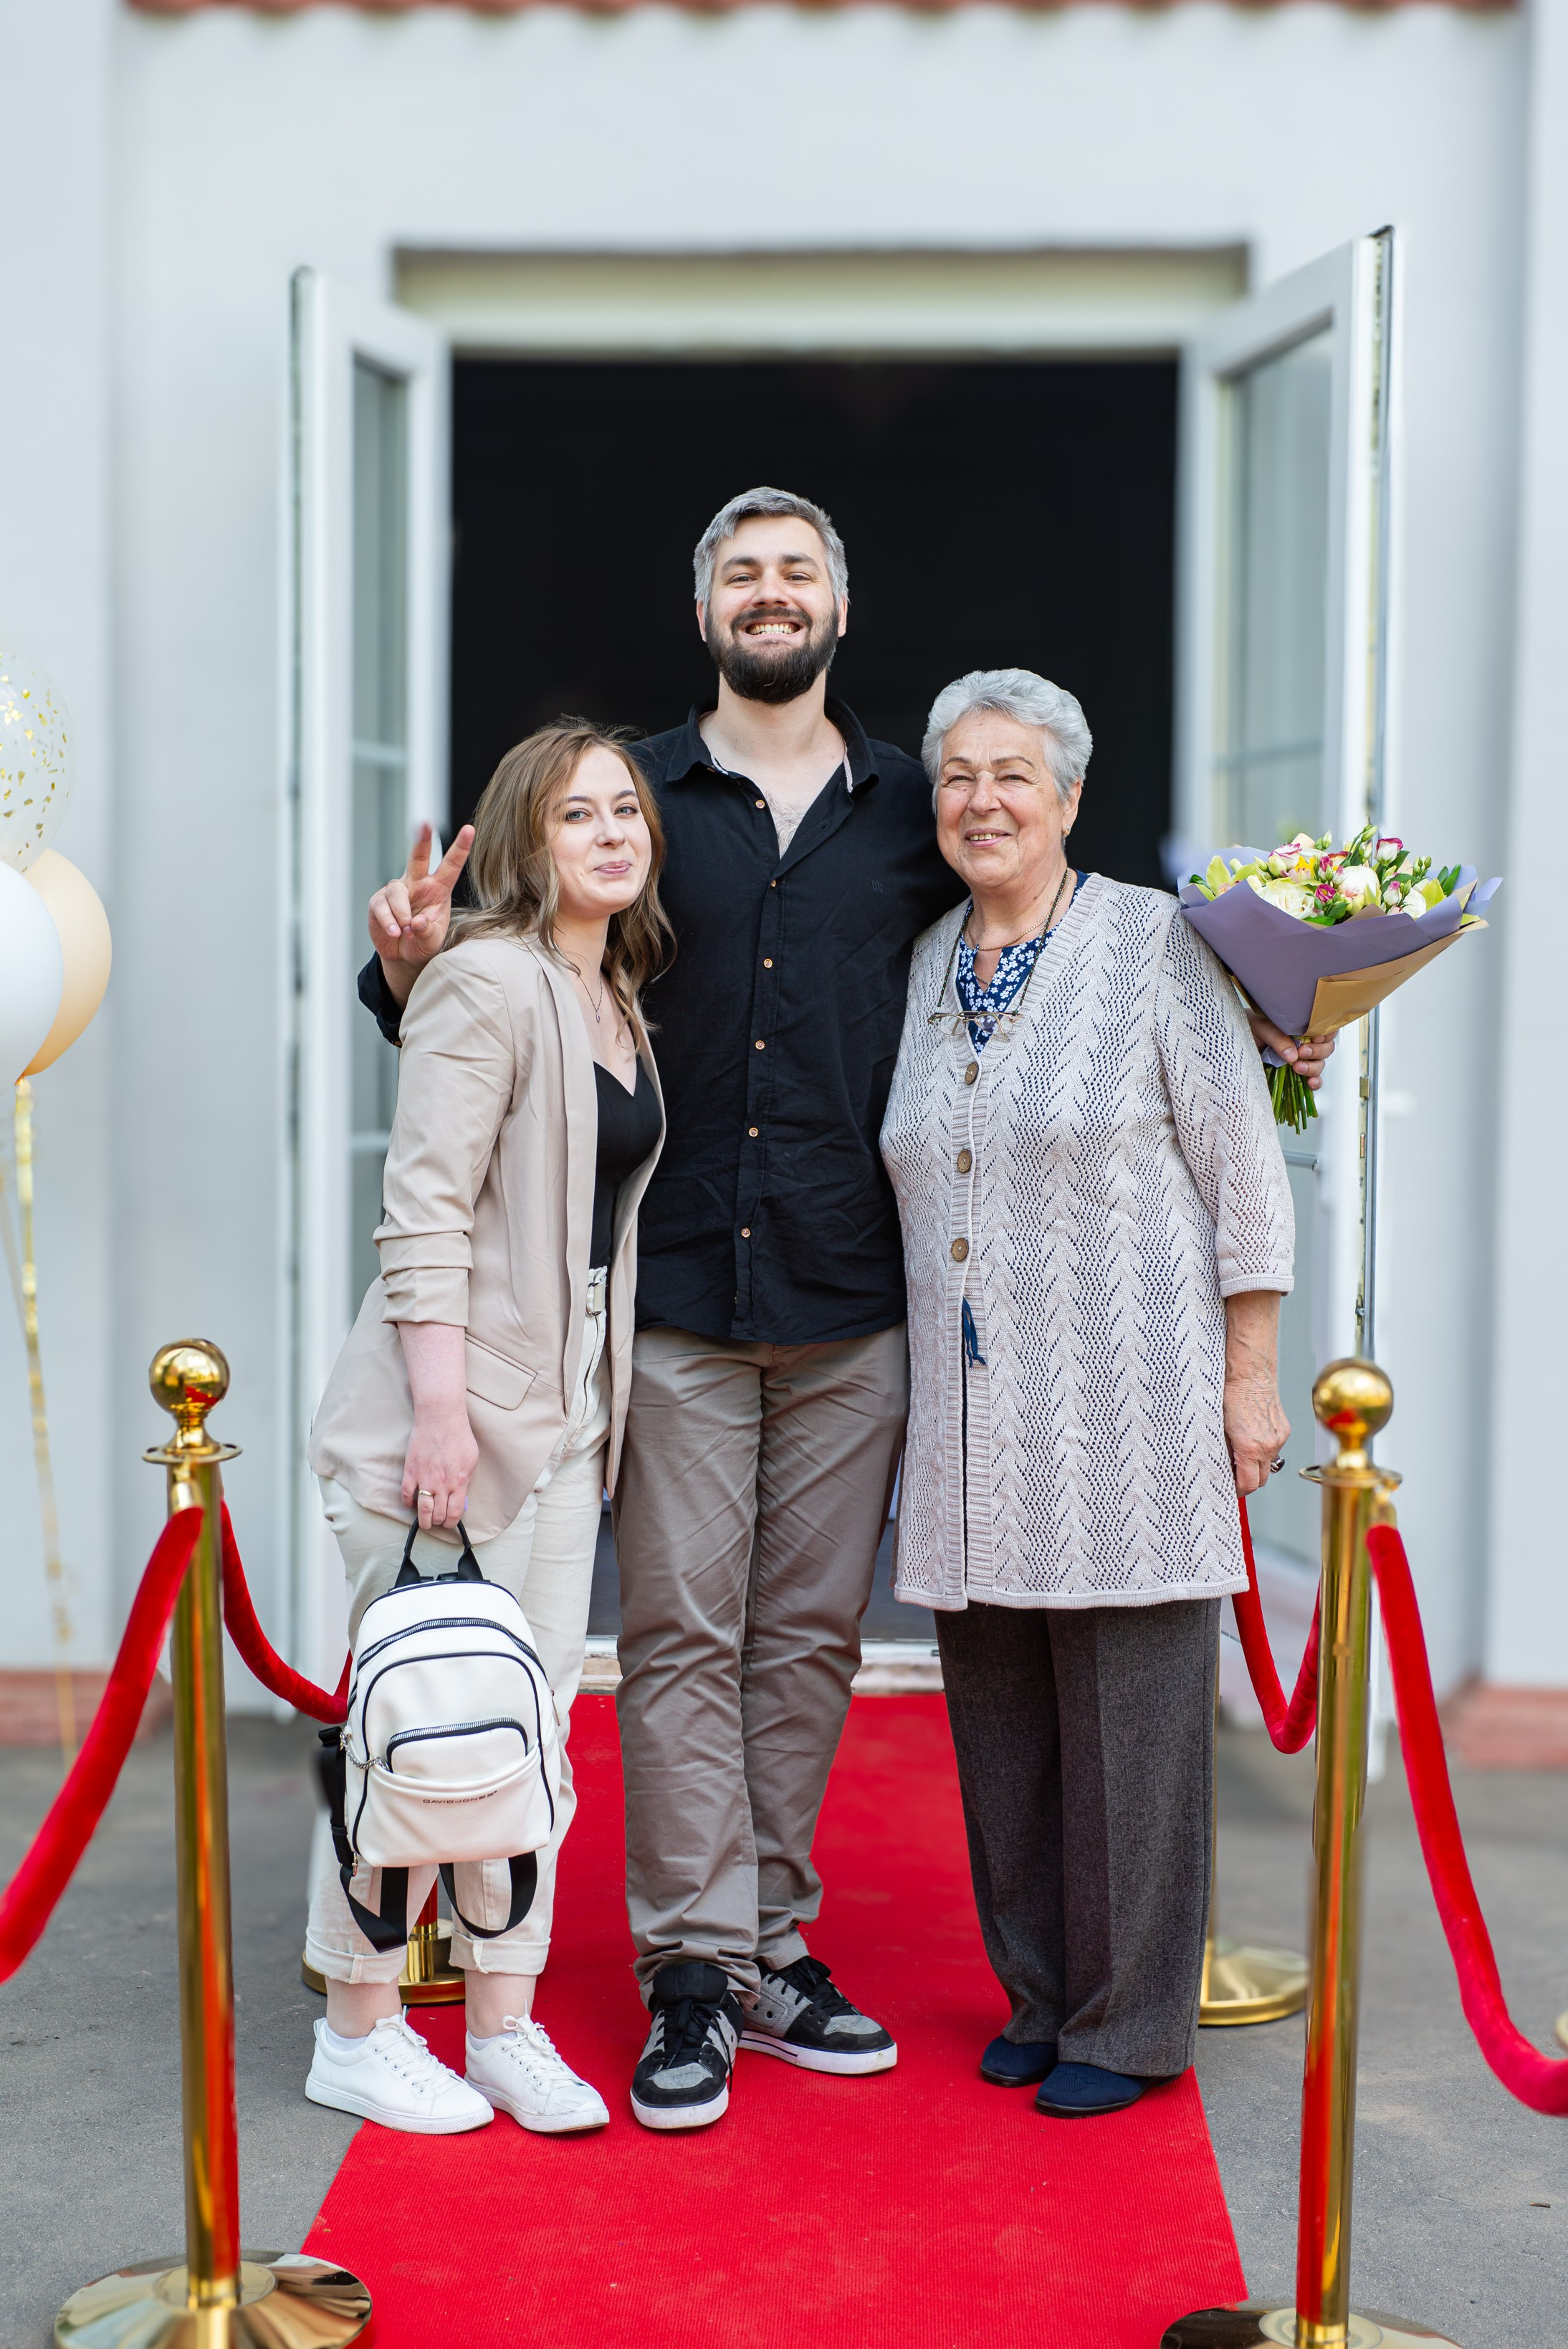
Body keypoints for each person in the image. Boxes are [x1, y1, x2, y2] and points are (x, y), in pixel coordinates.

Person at [360, 489, 1332, 2133]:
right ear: (704, 609)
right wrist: (408, 966)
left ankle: (773, 1946)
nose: (767, 594)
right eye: (739, 573)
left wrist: (1281, 1021)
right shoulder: (635, 799)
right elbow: (514, 986)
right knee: (674, 1637)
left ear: (837, 603)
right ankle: (689, 1966)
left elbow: (1130, 1011)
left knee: (807, 1641)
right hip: (670, 1291)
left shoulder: (914, 816)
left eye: (794, 570)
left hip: (857, 1309)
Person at [881, 669, 1294, 2120]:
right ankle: (1042, 1991)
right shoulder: (930, 959)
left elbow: (1243, 1171)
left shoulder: (1153, 945)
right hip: (975, 1421)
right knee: (1001, 1727)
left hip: (1129, 1400)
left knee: (1132, 1724)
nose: (980, 800)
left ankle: (1127, 2026)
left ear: (1066, 797)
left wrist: (1249, 1378)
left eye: (1012, 775)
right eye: (955, 776)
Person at [303, 722, 666, 2137]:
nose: (609, 831)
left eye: (624, 808)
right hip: (444, 1422)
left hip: (563, 1419)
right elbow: (425, 1210)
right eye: (577, 812)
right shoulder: (486, 980)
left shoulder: (615, 995)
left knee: (523, 1737)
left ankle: (504, 2023)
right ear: (527, 838)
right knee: (415, 1724)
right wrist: (440, 1417)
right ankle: (359, 2021)